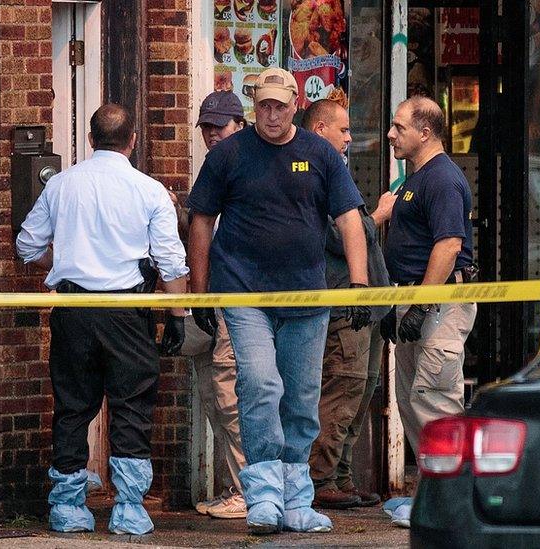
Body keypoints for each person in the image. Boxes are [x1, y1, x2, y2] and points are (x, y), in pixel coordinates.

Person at [187, 68, 371, 535]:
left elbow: (349, 218)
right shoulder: (228, 155)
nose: (270, 114)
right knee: (260, 385)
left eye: (279, 106)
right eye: (263, 105)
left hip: (308, 297)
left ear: (295, 106)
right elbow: (202, 220)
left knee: (303, 398)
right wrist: (201, 292)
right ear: (253, 105)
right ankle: (264, 493)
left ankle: (296, 496)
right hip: (244, 293)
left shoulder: (320, 154)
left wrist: (360, 283)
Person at [16, 104, 189, 535]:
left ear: (90, 140)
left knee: (73, 406)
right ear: (133, 141)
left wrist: (67, 261)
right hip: (127, 312)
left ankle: (68, 508)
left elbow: (27, 246)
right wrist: (177, 316)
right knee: (132, 405)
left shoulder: (60, 186)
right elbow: (171, 263)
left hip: (74, 310)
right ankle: (129, 509)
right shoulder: (149, 191)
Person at [301, 98, 395, 510]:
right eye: (343, 129)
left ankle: (340, 476)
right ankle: (320, 480)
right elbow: (339, 236)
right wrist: (377, 215)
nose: (350, 137)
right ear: (320, 129)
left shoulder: (333, 170)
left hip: (367, 306)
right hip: (343, 305)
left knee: (361, 393)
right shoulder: (310, 173)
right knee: (342, 389)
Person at [382, 95, 477, 461]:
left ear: (425, 132)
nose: (391, 134)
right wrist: (396, 304)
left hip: (437, 308)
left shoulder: (441, 178)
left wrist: (422, 303)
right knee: (413, 403)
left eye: (399, 127)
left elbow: (450, 245)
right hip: (415, 302)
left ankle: (450, 500)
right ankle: (430, 493)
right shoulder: (416, 178)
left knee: (435, 403)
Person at [187, 91, 248, 519]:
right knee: (213, 394)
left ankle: (249, 488)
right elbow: (202, 229)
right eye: (207, 127)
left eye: (219, 126)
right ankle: (236, 486)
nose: (212, 135)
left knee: (230, 394)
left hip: (237, 299)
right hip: (212, 298)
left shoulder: (247, 164)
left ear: (239, 125)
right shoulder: (214, 167)